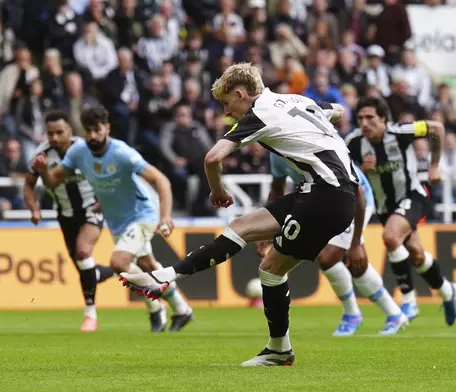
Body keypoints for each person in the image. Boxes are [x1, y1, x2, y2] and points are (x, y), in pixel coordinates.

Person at [119, 62, 357, 366]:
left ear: (242, 94)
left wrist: (217, 191)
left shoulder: (259, 113)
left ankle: (279, 350)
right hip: (328, 191)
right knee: (242, 228)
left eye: (227, 103)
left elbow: (212, 157)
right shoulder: (301, 100)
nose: (227, 112)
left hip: (325, 194)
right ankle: (166, 277)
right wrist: (327, 120)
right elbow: (338, 109)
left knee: (271, 270)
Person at [33, 106, 194, 333]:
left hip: (142, 214)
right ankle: (182, 308)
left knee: (119, 263)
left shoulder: (122, 153)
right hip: (117, 219)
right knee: (148, 265)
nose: (92, 136)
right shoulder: (78, 152)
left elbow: (161, 180)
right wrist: (42, 172)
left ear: (107, 128)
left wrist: (166, 216)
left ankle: (154, 305)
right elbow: (53, 182)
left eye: (97, 130)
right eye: (88, 130)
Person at [260, 153, 407, 335]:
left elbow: (358, 191)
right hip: (325, 202)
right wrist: (265, 228)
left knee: (327, 257)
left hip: (353, 197)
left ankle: (352, 313)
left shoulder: (309, 141)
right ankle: (394, 314)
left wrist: (355, 243)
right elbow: (277, 191)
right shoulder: (276, 153)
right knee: (354, 266)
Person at [346, 97, 456, 325]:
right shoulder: (354, 143)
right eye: (360, 119)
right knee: (417, 255)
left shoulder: (401, 132)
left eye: (370, 118)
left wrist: (434, 165)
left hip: (412, 196)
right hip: (386, 207)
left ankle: (408, 301)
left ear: (384, 119)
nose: (365, 123)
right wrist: (361, 169)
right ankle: (448, 292)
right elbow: (348, 175)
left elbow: (436, 127)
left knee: (390, 236)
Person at [25, 110, 116, 332]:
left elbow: (112, 172)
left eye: (59, 132)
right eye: (50, 134)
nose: (54, 138)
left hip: (91, 208)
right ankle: (114, 270)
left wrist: (107, 198)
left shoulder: (86, 149)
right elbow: (28, 185)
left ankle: (90, 315)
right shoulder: (42, 154)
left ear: (70, 131)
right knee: (85, 269)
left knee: (83, 252)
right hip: (64, 214)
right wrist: (34, 208)